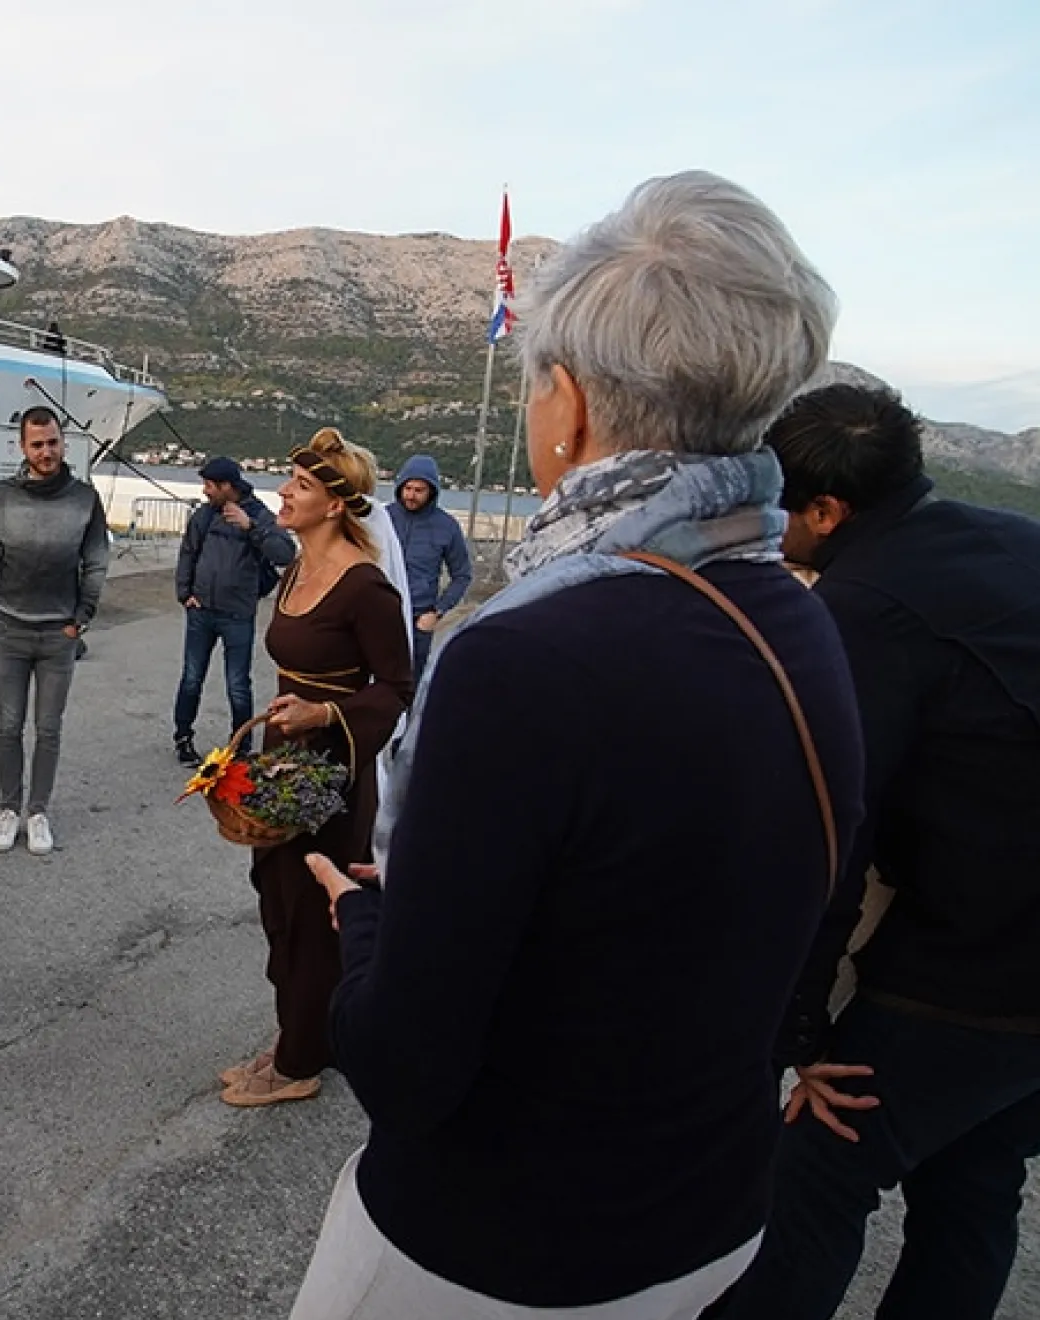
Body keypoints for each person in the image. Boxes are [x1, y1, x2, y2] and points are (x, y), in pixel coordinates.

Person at [288, 171, 863, 1320]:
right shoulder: (793, 613)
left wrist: (359, 921)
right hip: (703, 1217)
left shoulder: (525, 657)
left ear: (569, 405)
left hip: (498, 1246)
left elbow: (407, 1065)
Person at [714, 383, 1040, 1320]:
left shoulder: (865, 608)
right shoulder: (1010, 540)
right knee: (975, 1182)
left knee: (816, 1173)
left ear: (825, 510)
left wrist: (798, 1037)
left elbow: (831, 832)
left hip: (978, 963)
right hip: (1014, 947)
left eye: (778, 505)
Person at [219, 428, 412, 1109]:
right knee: (275, 898)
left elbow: (397, 689)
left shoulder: (367, 591)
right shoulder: (298, 567)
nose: (283, 493)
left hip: (330, 773)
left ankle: (299, 1061)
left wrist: (326, 717)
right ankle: (300, 1033)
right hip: (282, 760)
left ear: (334, 505)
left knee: (307, 916)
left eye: (299, 486)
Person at [0, 405, 109, 856]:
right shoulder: (2, 497)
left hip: (57, 636)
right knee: (9, 726)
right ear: (22, 447)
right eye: (37, 444)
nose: (46, 451)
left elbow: (97, 561)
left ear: (63, 443)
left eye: (53, 442)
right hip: (9, 630)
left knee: (48, 728)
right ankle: (9, 810)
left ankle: (38, 812)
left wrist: (81, 617)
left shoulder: (85, 498)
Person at [172, 454, 294, 766]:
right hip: (201, 611)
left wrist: (250, 526)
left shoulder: (260, 515)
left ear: (228, 486)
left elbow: (284, 553)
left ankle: (240, 744)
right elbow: (188, 552)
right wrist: (185, 593)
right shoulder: (204, 515)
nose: (205, 492)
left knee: (238, 683)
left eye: (210, 486)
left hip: (238, 614)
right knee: (191, 677)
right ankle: (183, 738)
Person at [384, 454, 473, 678]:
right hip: (380, 613)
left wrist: (438, 611)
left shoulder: (447, 527)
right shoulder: (383, 518)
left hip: (418, 621)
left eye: (419, 490)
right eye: (408, 488)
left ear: (431, 491)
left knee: (410, 685)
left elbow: (462, 575)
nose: (411, 495)